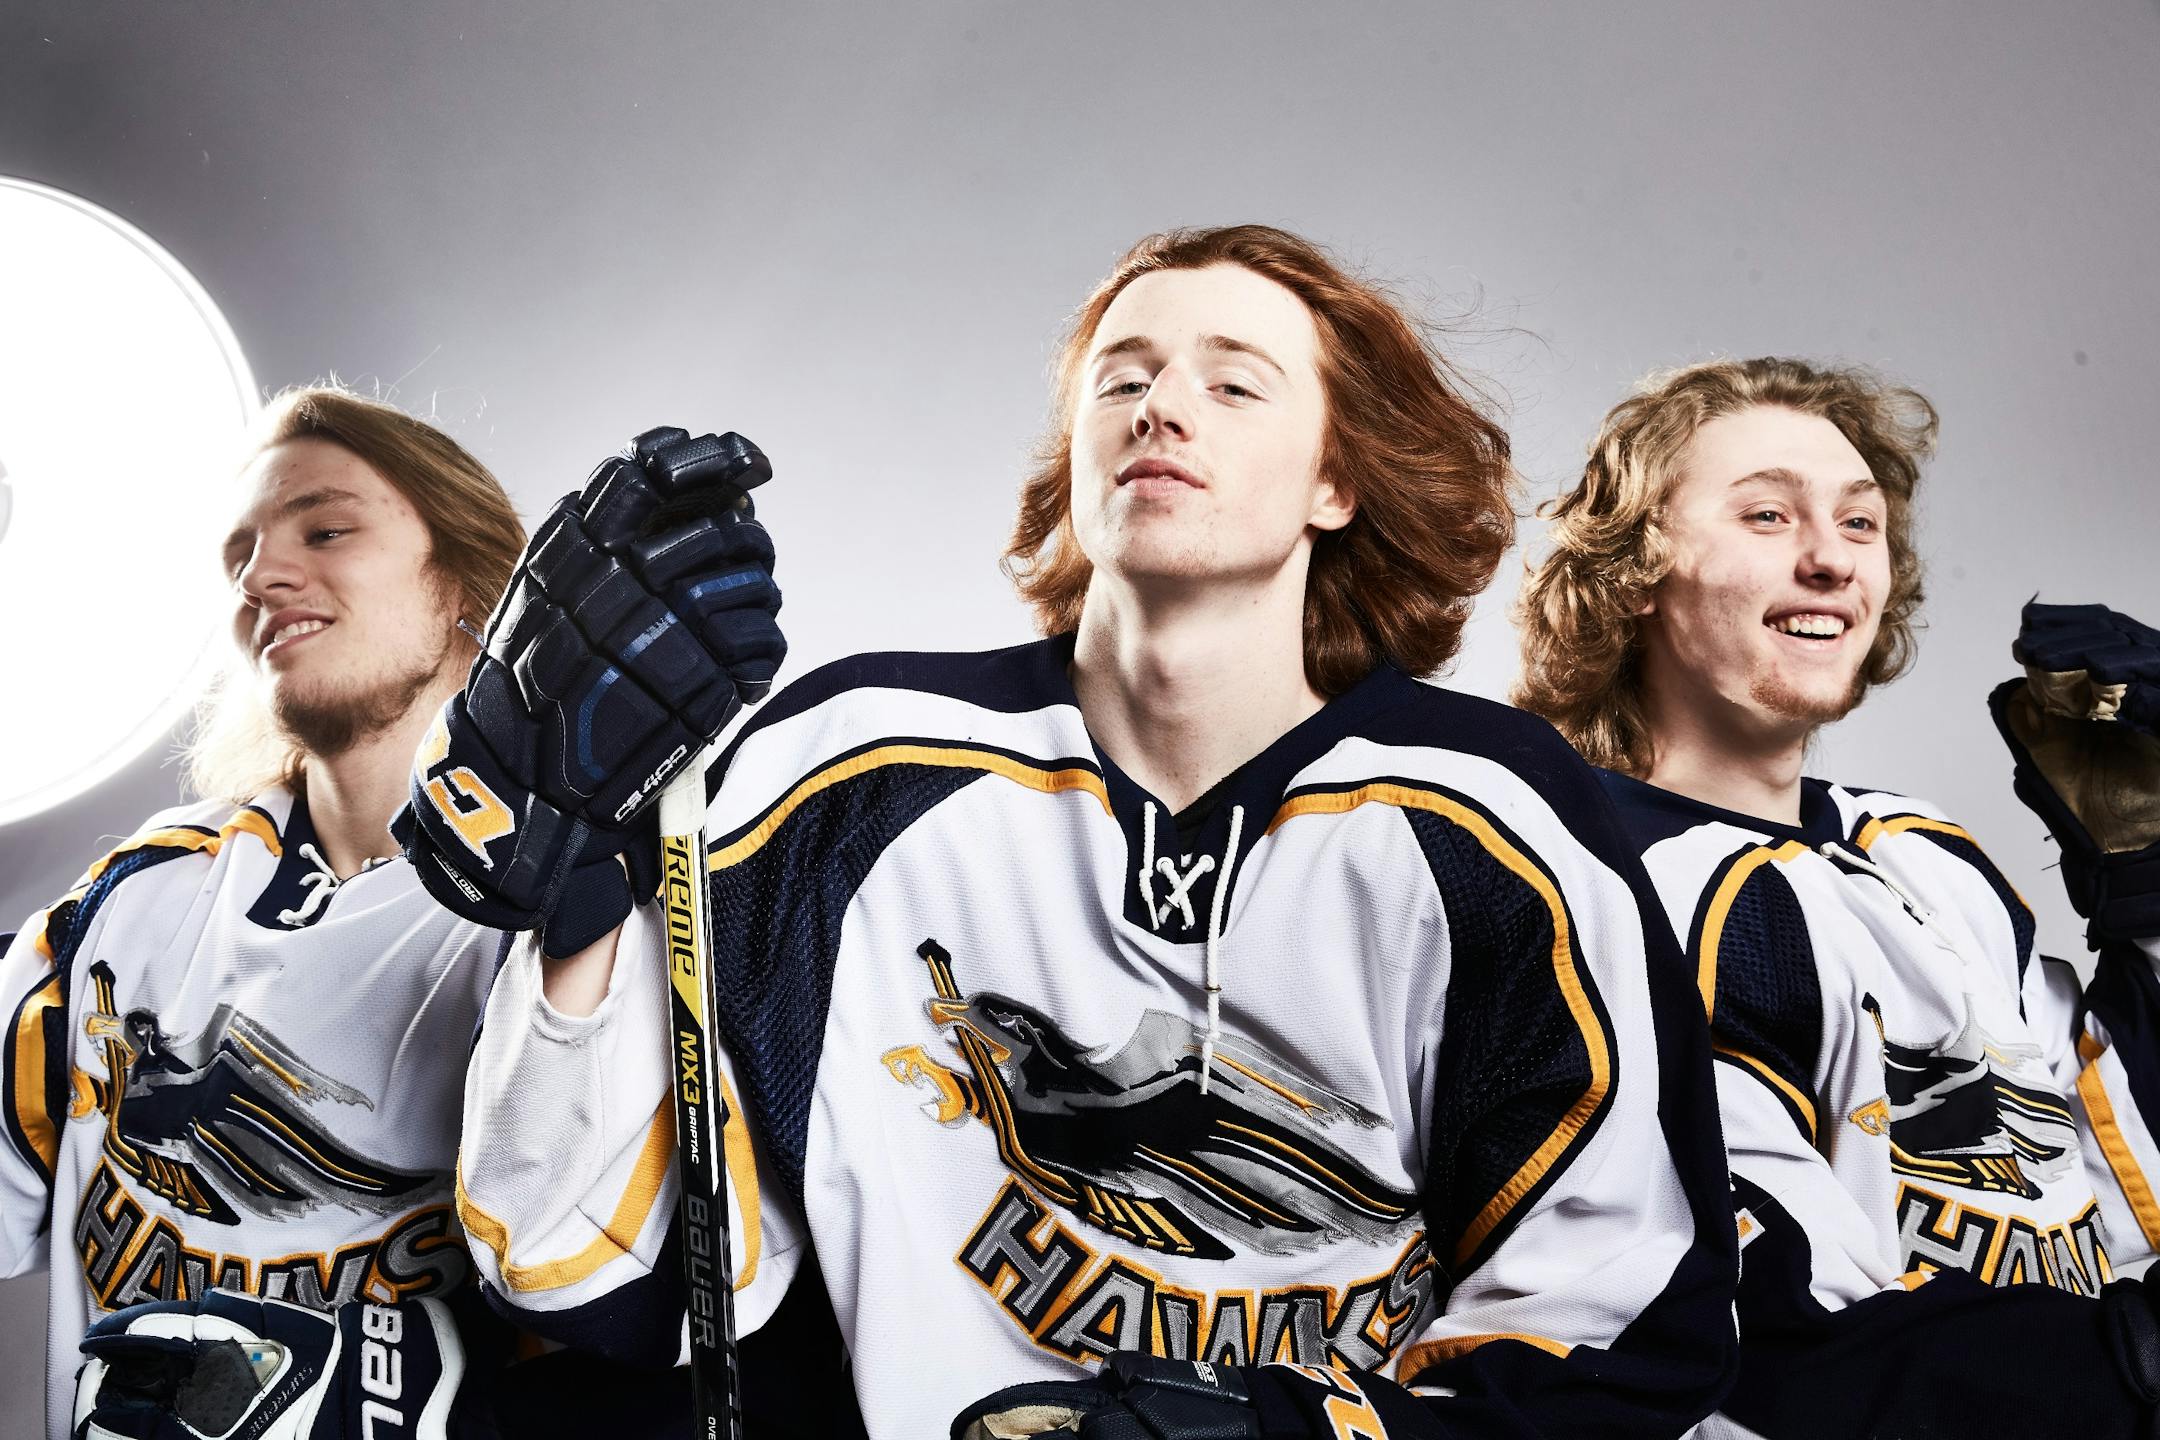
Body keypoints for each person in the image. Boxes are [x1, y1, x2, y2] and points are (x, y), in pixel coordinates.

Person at [426, 226, 1737, 1439]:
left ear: (1335, 478)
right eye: (1122, 380)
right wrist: (577, 891)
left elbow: (1624, 1317)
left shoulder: (1496, 819)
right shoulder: (843, 770)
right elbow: (581, 1262)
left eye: (1234, 385)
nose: (1161, 407)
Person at [35, 391, 783, 1440]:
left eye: (326, 529)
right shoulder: (126, 906)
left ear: (474, 587)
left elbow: (633, 1294)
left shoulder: (626, 899)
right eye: (237, 557)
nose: (261, 577)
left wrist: (582, 892)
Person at [1515, 355, 2160, 1436]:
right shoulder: (1586, 884)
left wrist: (2147, 898)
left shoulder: (1921, 853)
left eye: (1861, 526)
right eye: (1767, 515)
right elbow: (1781, 1338)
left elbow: (2119, 1175)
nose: (1830, 560)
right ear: (1634, 569)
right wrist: (2137, 1366)